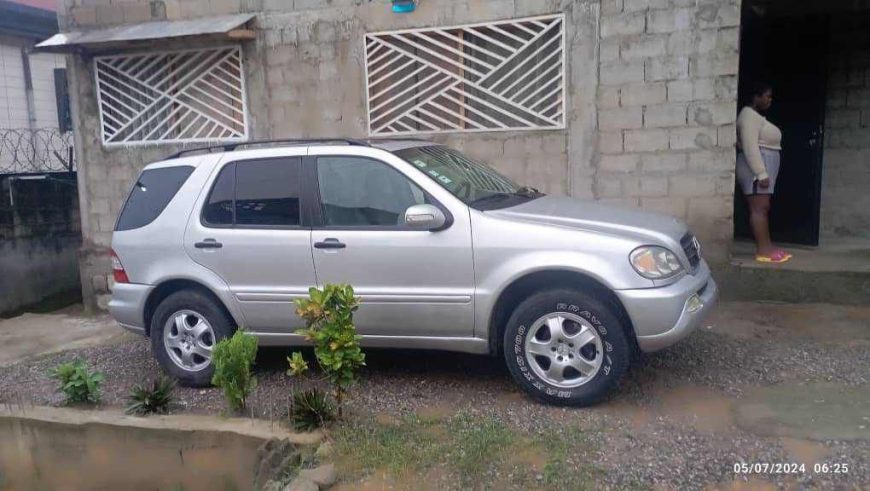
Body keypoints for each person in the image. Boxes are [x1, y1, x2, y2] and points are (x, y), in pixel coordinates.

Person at [736, 82, 791, 263]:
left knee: (763, 207)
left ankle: (767, 246)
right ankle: (763, 250)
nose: (769, 99)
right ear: (756, 97)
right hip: (755, 170)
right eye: (767, 95)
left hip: (762, 167)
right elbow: (750, 146)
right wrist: (761, 173)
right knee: (759, 208)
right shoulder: (748, 116)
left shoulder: (755, 117)